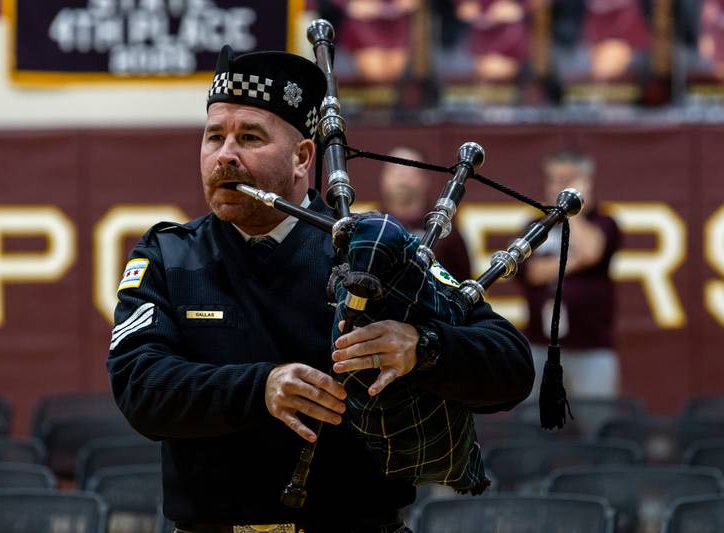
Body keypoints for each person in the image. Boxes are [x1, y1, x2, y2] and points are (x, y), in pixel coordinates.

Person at [107, 44, 534, 533]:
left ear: (302, 157)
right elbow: (138, 385)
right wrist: (261, 387)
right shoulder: (169, 256)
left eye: (249, 137)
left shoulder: (369, 252)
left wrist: (423, 347)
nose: (225, 155)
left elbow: (512, 365)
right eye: (214, 137)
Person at [518, 150, 621, 400]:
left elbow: (592, 251)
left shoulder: (604, 222)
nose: (558, 187)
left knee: (597, 420)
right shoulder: (535, 224)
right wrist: (577, 261)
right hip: (539, 343)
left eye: (567, 181)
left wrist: (572, 210)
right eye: (554, 180)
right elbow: (532, 272)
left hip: (591, 346)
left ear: (585, 182)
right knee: (532, 421)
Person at [379, 146, 472, 282]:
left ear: (425, 179)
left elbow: (462, 284)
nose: (402, 177)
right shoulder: (370, 225)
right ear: (383, 178)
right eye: (395, 170)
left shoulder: (445, 231)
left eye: (410, 169)